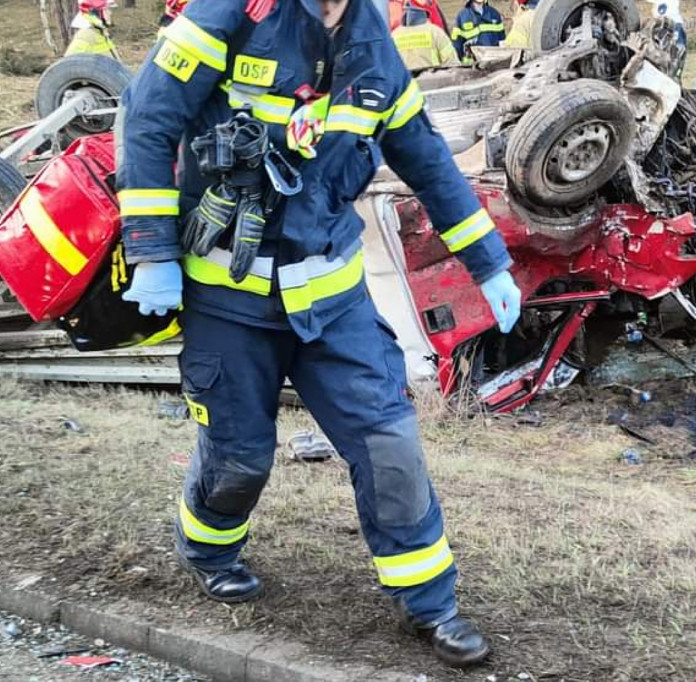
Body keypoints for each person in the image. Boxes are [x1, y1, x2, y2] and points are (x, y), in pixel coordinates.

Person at [115, 0, 522, 667]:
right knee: (240, 458)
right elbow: (150, 122)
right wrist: (155, 253)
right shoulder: (227, 16)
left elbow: (424, 157)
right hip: (230, 300)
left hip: (332, 300)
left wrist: (489, 263)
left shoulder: (374, 45)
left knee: (388, 439)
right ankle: (210, 549)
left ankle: (431, 603)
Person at [392, 0, 459, 70]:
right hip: (434, 78)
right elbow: (452, 62)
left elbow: (388, 66)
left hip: (406, 79)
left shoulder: (394, 35)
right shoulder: (435, 32)